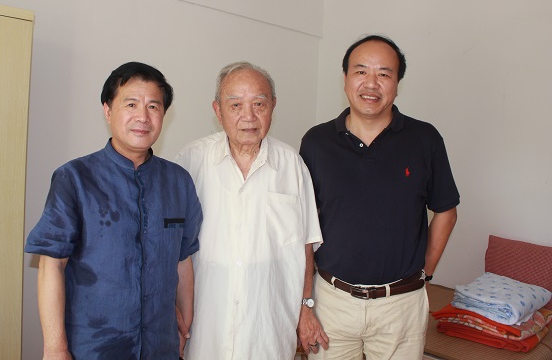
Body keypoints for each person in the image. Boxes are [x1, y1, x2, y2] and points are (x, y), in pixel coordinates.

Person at [24, 62, 203, 360]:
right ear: (108, 110)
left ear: (163, 115)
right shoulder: (75, 178)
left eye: (153, 106)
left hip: (161, 348)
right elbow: (51, 265)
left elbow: (183, 260)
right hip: (92, 348)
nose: (143, 117)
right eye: (131, 104)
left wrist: (184, 328)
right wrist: (55, 348)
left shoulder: (178, 181)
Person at [299, 35, 460, 360]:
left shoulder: (425, 139)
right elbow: (302, 226)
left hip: (401, 304)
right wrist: (306, 303)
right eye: (361, 71)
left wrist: (425, 274)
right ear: (345, 78)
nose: (371, 83)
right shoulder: (316, 142)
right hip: (332, 300)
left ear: (397, 83)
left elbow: (446, 211)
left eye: (384, 74)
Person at [174, 62, 326, 359]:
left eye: (259, 104)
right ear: (218, 110)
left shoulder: (292, 165)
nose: (249, 116)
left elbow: (306, 244)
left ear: (273, 107)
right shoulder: (190, 162)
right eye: (235, 105)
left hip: (268, 329)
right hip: (206, 328)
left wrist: (306, 307)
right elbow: (170, 247)